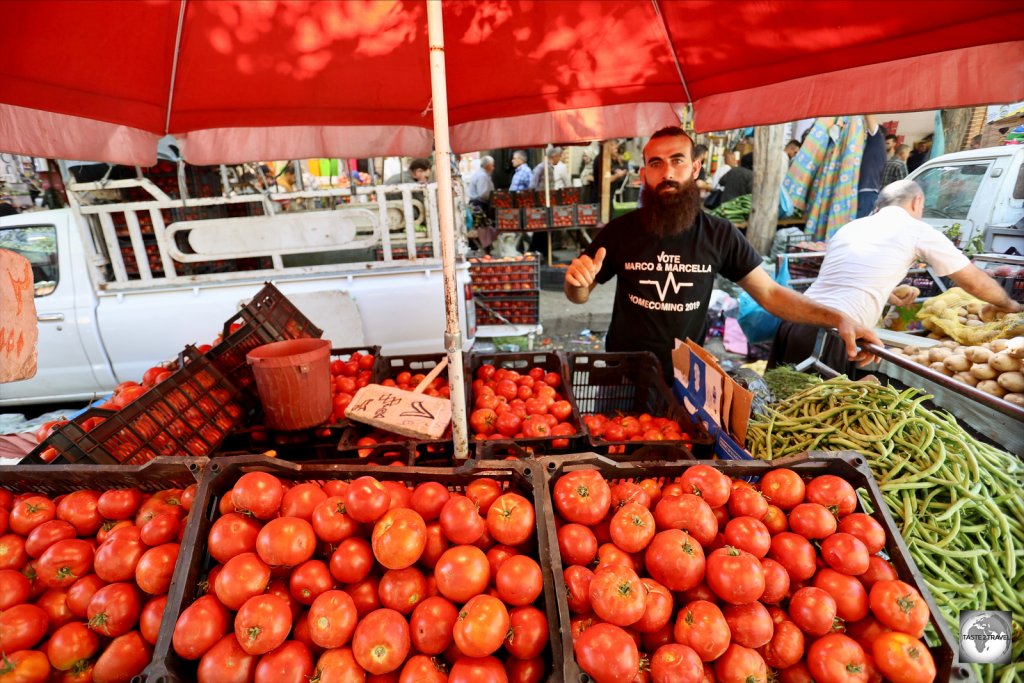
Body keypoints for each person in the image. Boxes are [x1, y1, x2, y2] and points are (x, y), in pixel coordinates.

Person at [563, 126, 880, 380]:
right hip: (622, 371)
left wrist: (838, 318)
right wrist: (576, 285)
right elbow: (579, 293)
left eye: (678, 160)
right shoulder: (620, 230)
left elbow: (771, 294)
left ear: (695, 167)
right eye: (655, 163)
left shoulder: (720, 234)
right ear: (644, 174)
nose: (668, 173)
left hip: (685, 376)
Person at [769, 179, 1020, 371]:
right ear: (917, 202)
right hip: (833, 333)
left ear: (879, 205)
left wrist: (888, 295)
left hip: (796, 321)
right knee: (807, 425)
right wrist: (1008, 304)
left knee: (768, 412)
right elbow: (973, 280)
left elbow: (845, 279)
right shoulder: (916, 230)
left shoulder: (852, 226)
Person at [857, 115, 887, 218]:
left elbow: (870, 119)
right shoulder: (873, 147)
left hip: (866, 194)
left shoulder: (877, 139)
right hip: (867, 193)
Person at [591, 142, 629, 206]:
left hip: (609, 197)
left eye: (615, 144)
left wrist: (615, 171)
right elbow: (606, 180)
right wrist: (617, 175)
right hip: (601, 198)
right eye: (612, 144)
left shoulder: (608, 159)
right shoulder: (601, 159)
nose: (616, 147)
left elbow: (609, 171)